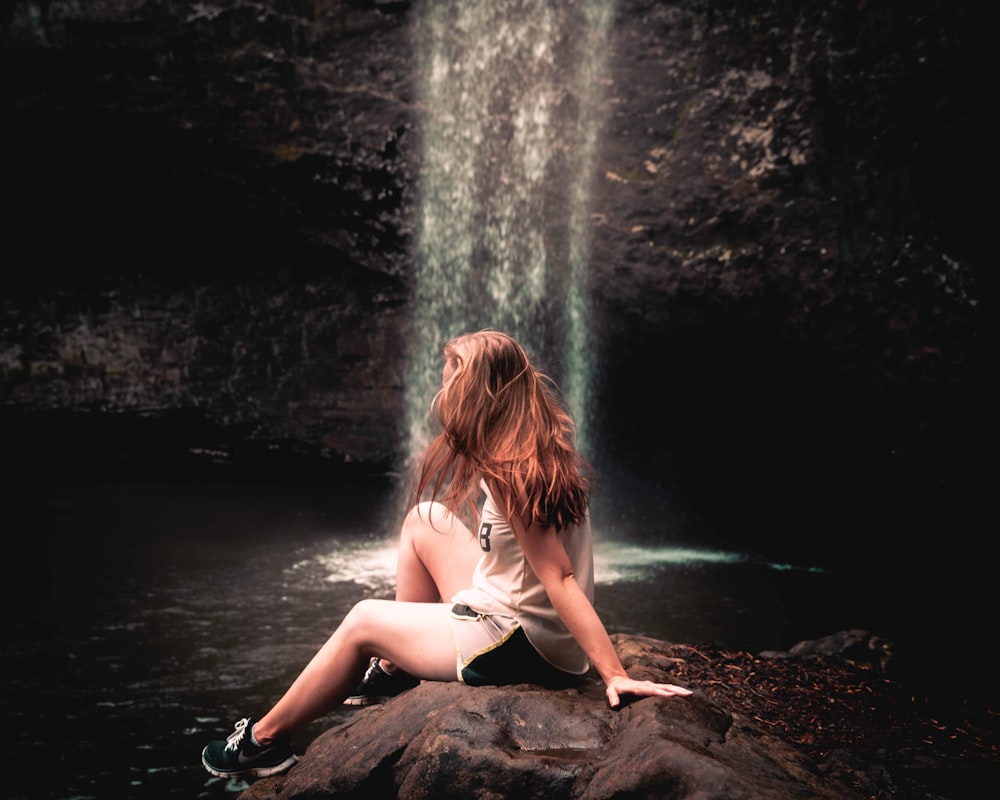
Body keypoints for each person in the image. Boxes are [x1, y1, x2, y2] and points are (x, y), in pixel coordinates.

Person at [201, 330, 692, 779]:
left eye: (451, 385)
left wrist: (615, 675)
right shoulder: (532, 445)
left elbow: (559, 578)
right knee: (425, 518)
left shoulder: (512, 469)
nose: (443, 396)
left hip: (524, 641)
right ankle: (395, 671)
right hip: (517, 614)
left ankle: (262, 743)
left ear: (479, 393)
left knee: (363, 620)